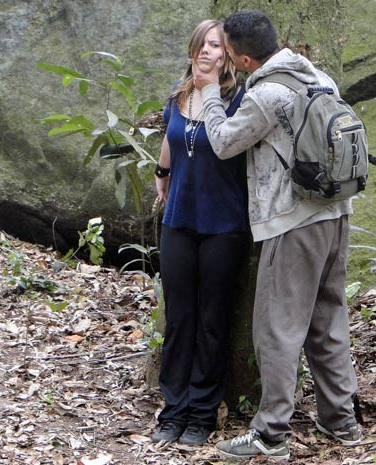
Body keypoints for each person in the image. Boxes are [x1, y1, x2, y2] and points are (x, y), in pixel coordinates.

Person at [193, 10, 363, 460]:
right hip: (337, 212)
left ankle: (270, 433)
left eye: (228, 51)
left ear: (244, 58)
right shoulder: (318, 77)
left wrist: (209, 91)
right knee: (328, 320)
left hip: (293, 220)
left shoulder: (267, 93)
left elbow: (225, 141)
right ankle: (341, 422)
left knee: (277, 330)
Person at [150, 19, 249, 447]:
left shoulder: (239, 98)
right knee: (179, 318)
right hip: (178, 222)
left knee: (211, 321)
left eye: (217, 46)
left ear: (228, 54)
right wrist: (162, 170)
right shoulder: (179, 93)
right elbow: (173, 138)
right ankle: (172, 411)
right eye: (203, 45)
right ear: (193, 49)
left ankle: (201, 414)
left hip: (224, 225)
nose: (208, 52)